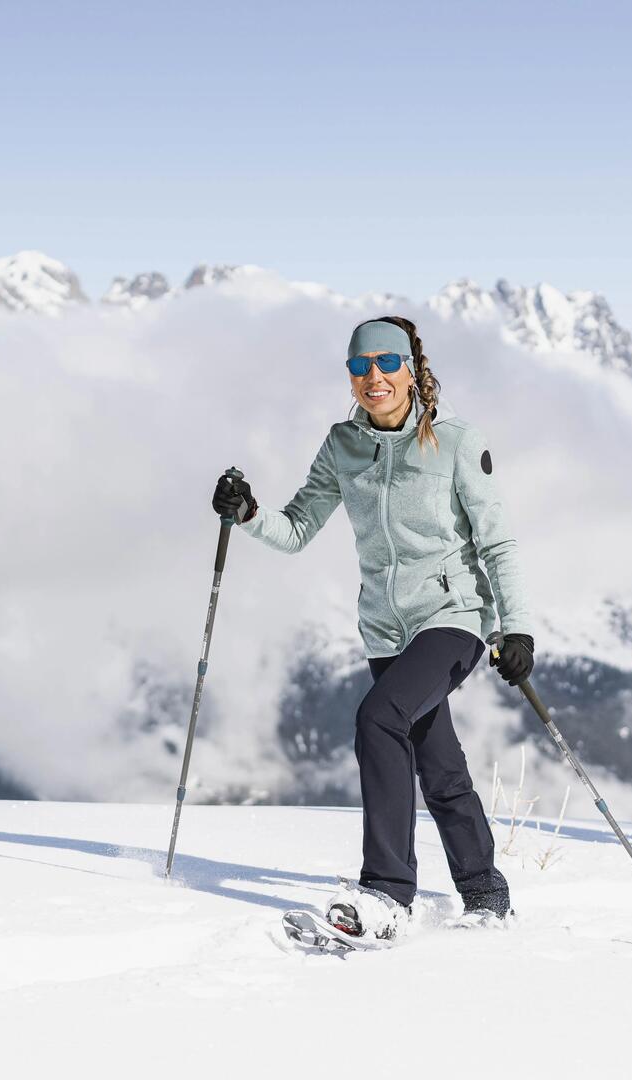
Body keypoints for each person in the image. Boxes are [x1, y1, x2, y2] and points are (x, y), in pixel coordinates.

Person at [211, 316, 534, 941]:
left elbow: (498, 542)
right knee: (437, 764)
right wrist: (247, 513)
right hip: (387, 632)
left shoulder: (456, 443)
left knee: (377, 718)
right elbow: (297, 529)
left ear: (412, 369)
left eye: (387, 363)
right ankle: (485, 892)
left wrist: (516, 628)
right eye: (360, 367)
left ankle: (387, 893)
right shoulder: (343, 446)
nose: (374, 377)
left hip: (453, 619)